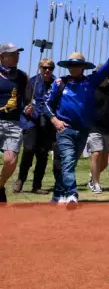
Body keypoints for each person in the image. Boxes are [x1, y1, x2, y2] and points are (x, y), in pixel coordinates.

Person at [45, 35, 109, 206]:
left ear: (83, 67)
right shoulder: (60, 83)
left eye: (78, 65)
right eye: (72, 65)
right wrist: (54, 120)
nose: (74, 68)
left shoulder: (91, 82)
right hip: (64, 129)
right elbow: (46, 104)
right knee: (67, 160)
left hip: (83, 130)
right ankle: (73, 194)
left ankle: (58, 194)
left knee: (70, 163)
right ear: (68, 66)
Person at [14, 58, 55, 195]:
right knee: (28, 149)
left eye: (50, 68)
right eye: (44, 68)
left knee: (42, 154)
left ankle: (36, 185)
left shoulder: (56, 83)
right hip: (31, 121)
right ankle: (20, 179)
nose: (47, 70)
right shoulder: (32, 82)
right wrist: (26, 108)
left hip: (47, 122)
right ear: (40, 68)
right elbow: (24, 101)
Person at [0, 43, 28, 203]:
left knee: (10, 161)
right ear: (2, 57)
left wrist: (28, 109)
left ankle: (0, 185)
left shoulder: (22, 77)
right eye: (12, 54)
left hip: (13, 123)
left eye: (17, 53)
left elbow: (25, 100)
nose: (16, 56)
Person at [86, 65, 109, 194]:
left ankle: (92, 176)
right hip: (94, 127)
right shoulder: (91, 88)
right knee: (96, 153)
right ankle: (96, 183)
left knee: (105, 159)